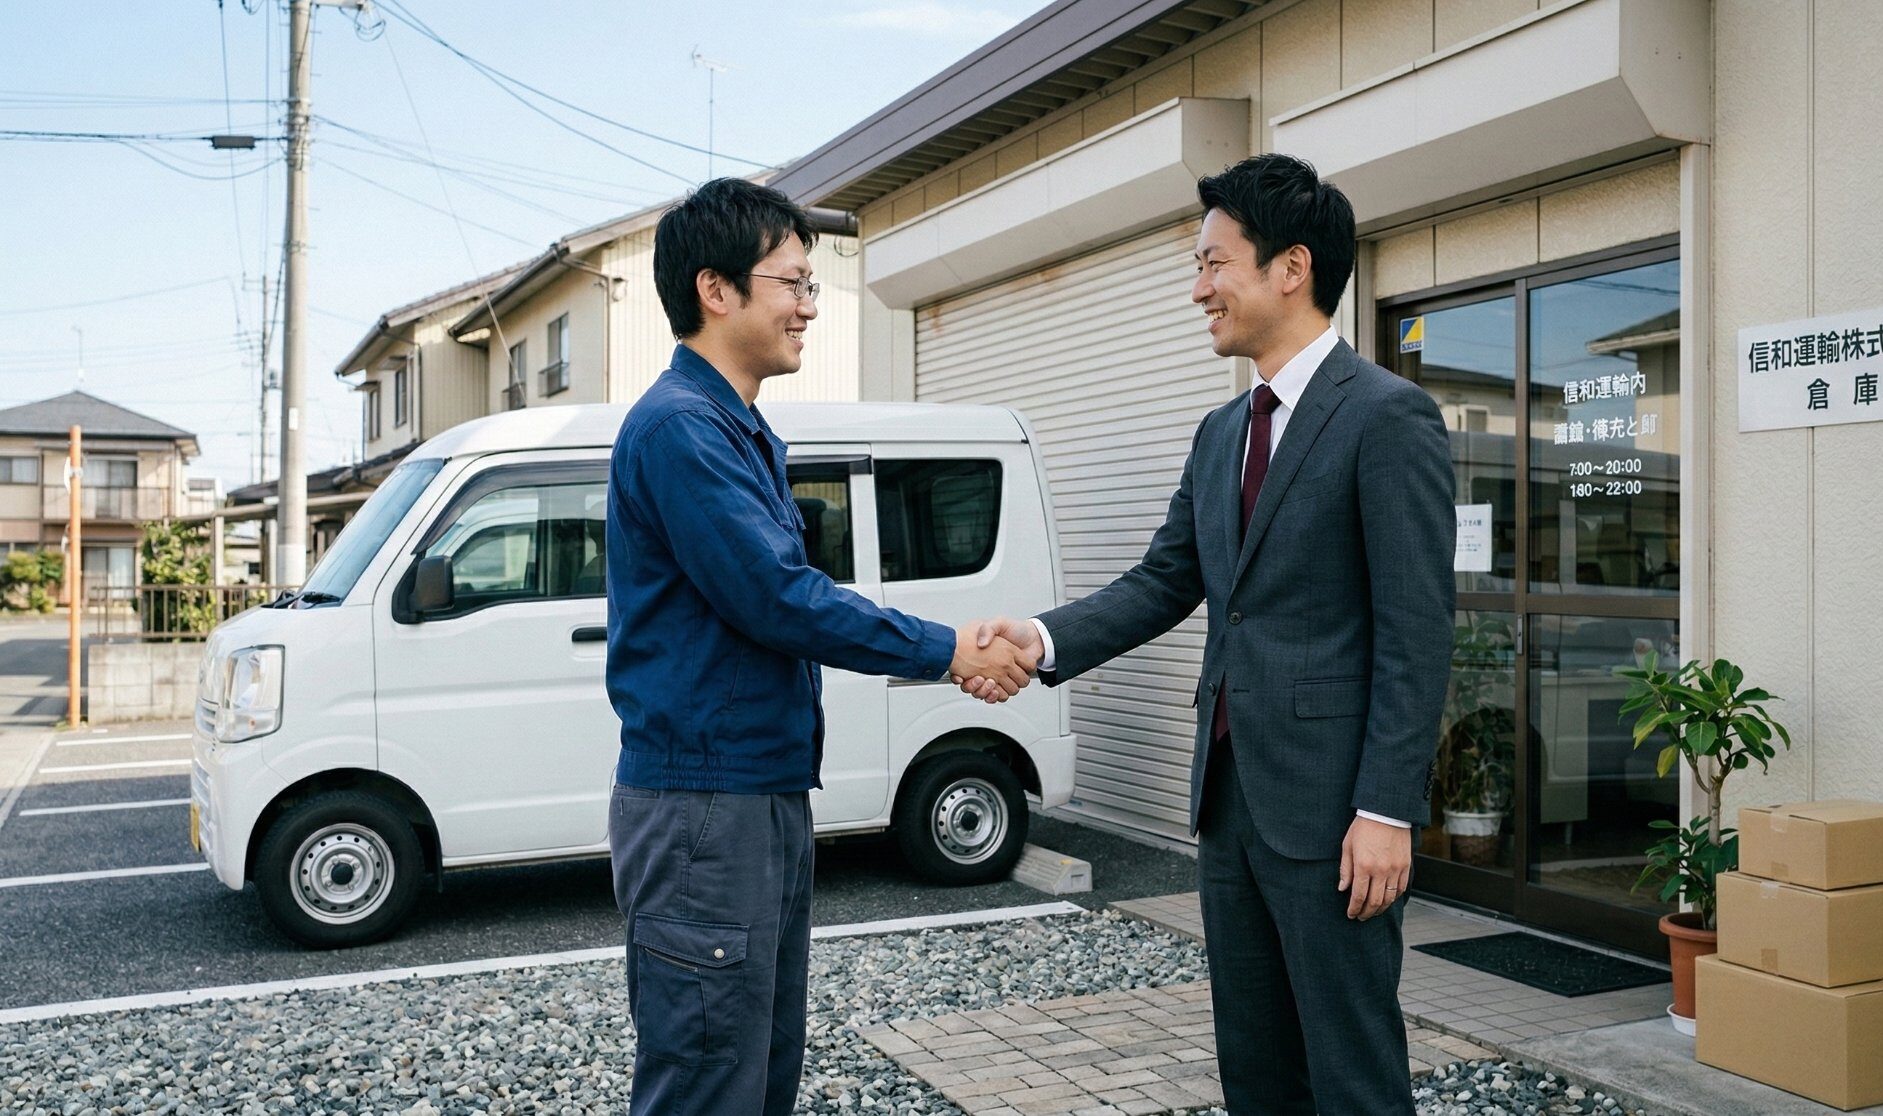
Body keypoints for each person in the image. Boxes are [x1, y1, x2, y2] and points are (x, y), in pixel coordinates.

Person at [961, 154, 1455, 1113]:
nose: (1197, 289)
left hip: (1332, 815)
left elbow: (1415, 629)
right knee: (1255, 1063)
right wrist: (1036, 637)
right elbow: (1165, 581)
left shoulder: (1388, 417)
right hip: (1229, 802)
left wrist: (1387, 809)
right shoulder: (1221, 431)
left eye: (1212, 262)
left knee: (1351, 1068)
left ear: (1290, 267)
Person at [606, 177, 1036, 1116]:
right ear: (715, 290)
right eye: (793, 283)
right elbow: (776, 599)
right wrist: (951, 649)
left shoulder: (736, 425)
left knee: (756, 1071)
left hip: (748, 794)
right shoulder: (685, 427)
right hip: (704, 808)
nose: (809, 305)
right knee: (708, 1079)